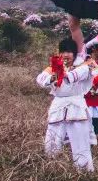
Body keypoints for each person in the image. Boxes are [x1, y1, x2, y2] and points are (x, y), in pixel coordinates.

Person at [37, 37, 94, 171]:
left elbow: (81, 74)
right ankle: (52, 170)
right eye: (63, 51)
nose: (66, 55)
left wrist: (64, 74)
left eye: (69, 51)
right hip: (58, 107)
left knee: (81, 142)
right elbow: (40, 79)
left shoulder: (83, 65)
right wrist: (53, 76)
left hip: (77, 106)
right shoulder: (54, 67)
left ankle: (84, 172)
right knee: (52, 141)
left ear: (74, 53)